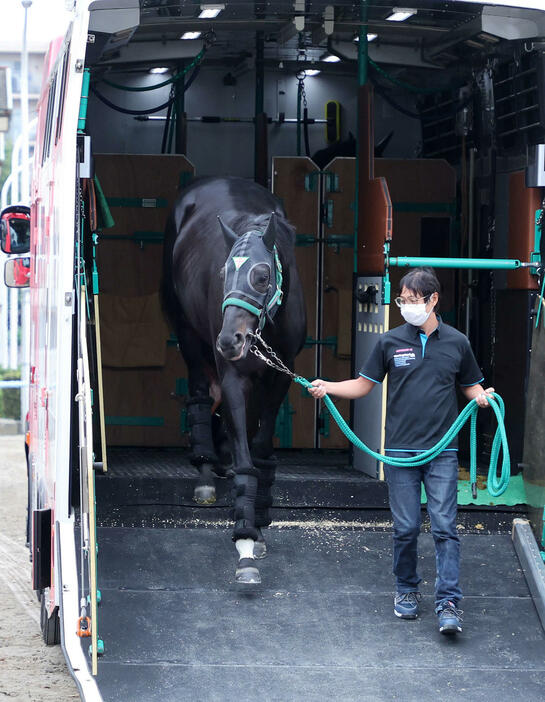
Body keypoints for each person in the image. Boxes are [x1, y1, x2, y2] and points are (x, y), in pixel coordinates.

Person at [308, 267, 494, 635]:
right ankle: (406, 589)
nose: (405, 307)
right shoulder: (391, 341)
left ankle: (448, 602)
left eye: (412, 301)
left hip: (442, 451)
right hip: (399, 452)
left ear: (433, 300)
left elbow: (471, 387)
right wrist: (327, 387)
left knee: (444, 527)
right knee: (406, 527)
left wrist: (484, 398)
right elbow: (364, 386)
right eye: (402, 301)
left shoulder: (458, 343)